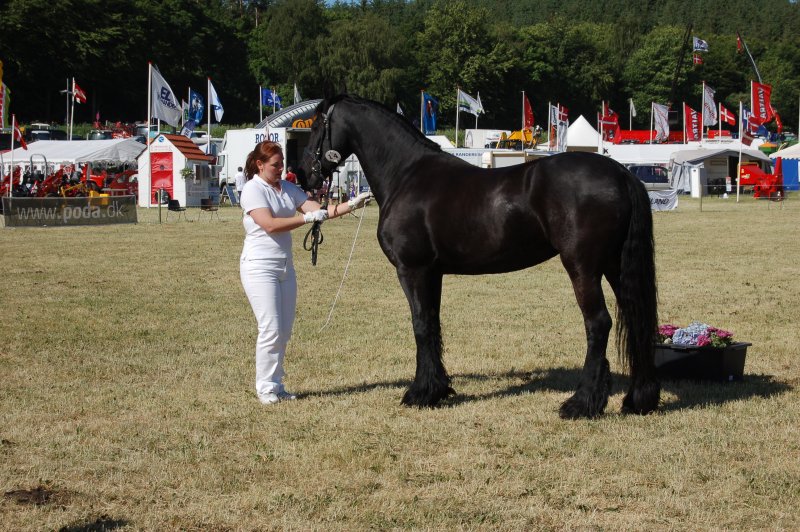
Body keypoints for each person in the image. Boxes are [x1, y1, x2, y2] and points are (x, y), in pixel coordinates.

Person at [239, 141, 371, 405]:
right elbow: (270, 225)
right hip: (259, 267)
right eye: (275, 165)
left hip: (285, 267)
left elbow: (319, 211)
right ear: (260, 165)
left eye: (281, 163)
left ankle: (277, 385)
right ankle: (265, 388)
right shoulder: (253, 190)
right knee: (270, 329)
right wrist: (305, 219)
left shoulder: (287, 188)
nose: (281, 169)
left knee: (284, 330)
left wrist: (352, 204)